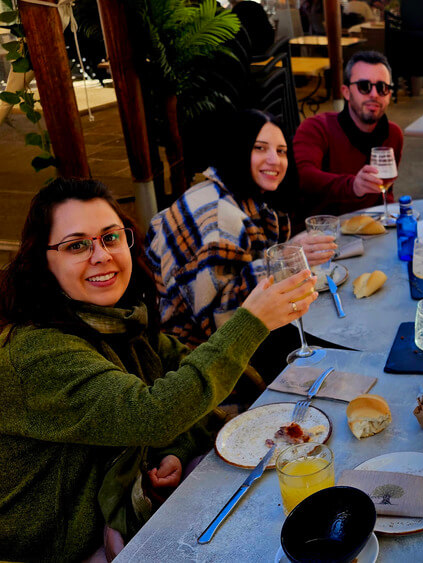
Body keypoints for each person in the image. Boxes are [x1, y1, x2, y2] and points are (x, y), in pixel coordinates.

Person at [0, 178, 318, 561]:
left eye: (110, 237)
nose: (100, 255)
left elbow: (181, 378)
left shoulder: (120, 319)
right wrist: (251, 322)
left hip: (116, 507)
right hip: (61, 548)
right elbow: (152, 413)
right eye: (76, 245)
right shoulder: (35, 352)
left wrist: (175, 450)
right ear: (42, 262)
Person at [147, 109, 334, 349]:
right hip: (191, 352)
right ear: (237, 149)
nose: (274, 160)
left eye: (281, 151)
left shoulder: (241, 194)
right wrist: (283, 261)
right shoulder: (219, 217)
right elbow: (217, 320)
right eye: (260, 148)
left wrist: (286, 254)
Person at [294, 51, 403, 217]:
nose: (374, 94)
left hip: (371, 227)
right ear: (346, 92)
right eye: (364, 86)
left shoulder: (393, 134)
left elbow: (385, 195)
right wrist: (353, 186)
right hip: (322, 232)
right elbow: (303, 176)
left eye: (382, 88)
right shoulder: (317, 127)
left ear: (389, 94)